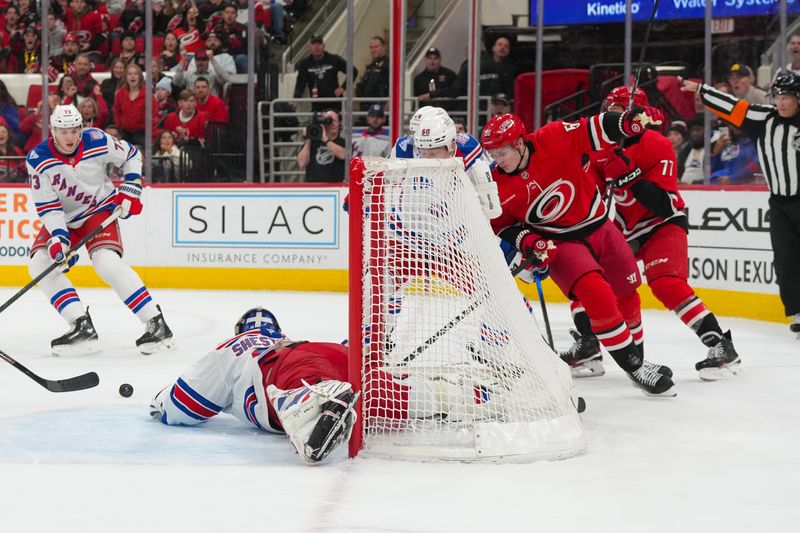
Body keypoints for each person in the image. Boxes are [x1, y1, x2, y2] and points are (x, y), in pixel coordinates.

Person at [480, 109, 676, 396]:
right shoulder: (495, 184)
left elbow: (596, 126)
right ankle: (635, 368)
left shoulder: (554, 137)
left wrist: (627, 122)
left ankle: (637, 359)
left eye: (501, 153)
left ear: (520, 143)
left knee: (627, 291)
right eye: (492, 154)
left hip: (600, 227)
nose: (496, 161)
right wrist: (529, 240)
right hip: (559, 243)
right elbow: (502, 226)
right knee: (597, 294)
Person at [149, 307, 492, 463]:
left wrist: (160, 401)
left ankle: (320, 400)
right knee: (390, 397)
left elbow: (185, 406)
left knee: (306, 390)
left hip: (292, 367)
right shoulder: (291, 339)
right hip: (334, 351)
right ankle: (474, 397)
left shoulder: (239, 346)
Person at [564, 86, 741, 380]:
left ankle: (721, 345)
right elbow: (590, 197)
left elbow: (662, 203)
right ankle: (593, 346)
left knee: (666, 283)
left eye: (616, 113)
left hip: (662, 223)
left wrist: (630, 176)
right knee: (588, 276)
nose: (610, 120)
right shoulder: (600, 150)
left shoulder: (657, 144)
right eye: (607, 113)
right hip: (624, 229)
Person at [26, 105, 174, 356]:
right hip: (64, 218)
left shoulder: (97, 140)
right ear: (52, 131)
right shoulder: (38, 159)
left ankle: (156, 322)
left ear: (81, 128)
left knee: (106, 262)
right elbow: (49, 207)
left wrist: (131, 185)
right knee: (39, 264)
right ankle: (80, 324)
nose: (70, 137)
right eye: (63, 132)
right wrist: (60, 240)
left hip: (99, 210)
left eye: (74, 130)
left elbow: (131, 155)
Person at [682, 71, 800, 336]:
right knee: (786, 259)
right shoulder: (764, 118)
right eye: (778, 97)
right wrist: (702, 90)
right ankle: (797, 311)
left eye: (788, 97)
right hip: (780, 204)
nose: (781, 103)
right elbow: (732, 106)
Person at [391, 106, 500, 219]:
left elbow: (492, 210)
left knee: (480, 169)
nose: (427, 158)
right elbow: (383, 181)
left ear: (452, 145)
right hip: (414, 218)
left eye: (434, 152)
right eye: (423, 151)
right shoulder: (403, 147)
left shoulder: (468, 149)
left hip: (458, 218)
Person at [293, 34, 352, 112]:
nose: (316, 47)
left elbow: (353, 71)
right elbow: (300, 83)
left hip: (335, 105)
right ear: (309, 47)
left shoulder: (334, 59)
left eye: (319, 44)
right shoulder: (305, 64)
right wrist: (296, 99)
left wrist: (343, 88)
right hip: (316, 106)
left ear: (324, 46)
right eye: (314, 44)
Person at [112, 62, 156, 147]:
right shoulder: (120, 93)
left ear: (140, 77)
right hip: (125, 133)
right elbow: (116, 111)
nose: (132, 76)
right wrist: (119, 126)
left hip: (143, 134)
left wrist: (151, 136)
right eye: (129, 74)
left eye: (135, 74)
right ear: (126, 77)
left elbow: (153, 116)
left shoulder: (147, 94)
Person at [296, 108, 345, 182]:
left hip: (335, 187)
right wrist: (309, 137)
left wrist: (325, 139)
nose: (333, 124)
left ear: (339, 124)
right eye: (329, 121)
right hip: (313, 187)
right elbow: (302, 163)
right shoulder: (313, 142)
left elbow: (343, 155)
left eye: (335, 121)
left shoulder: (342, 142)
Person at [355, 36, 389, 113]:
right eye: (371, 47)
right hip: (367, 107)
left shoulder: (389, 65)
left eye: (376, 47)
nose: (373, 50)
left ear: (384, 47)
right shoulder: (370, 67)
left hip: (381, 108)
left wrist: (388, 104)